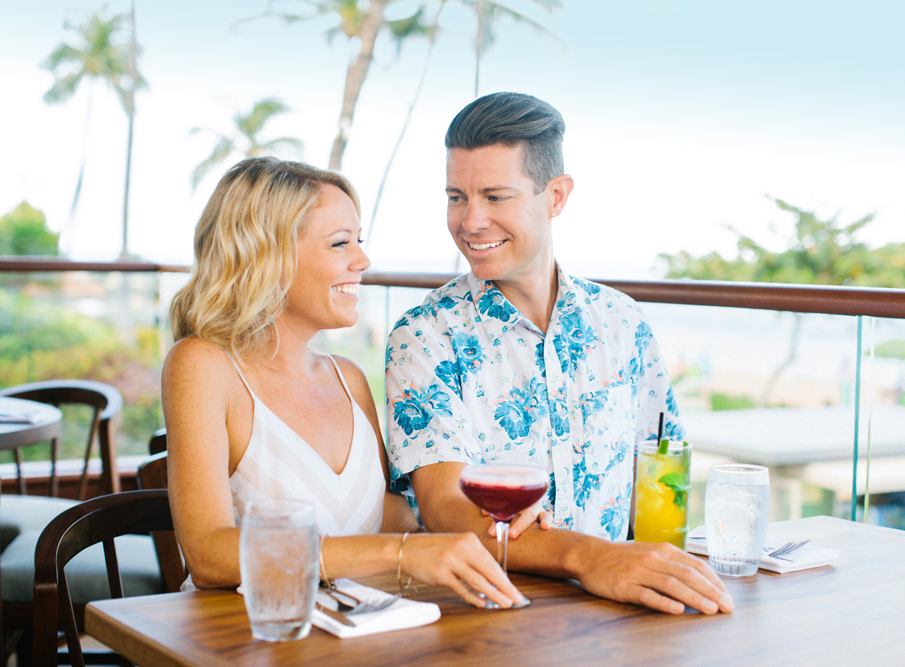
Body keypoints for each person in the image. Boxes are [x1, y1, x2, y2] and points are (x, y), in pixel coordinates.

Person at [385, 92, 734, 615]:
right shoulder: (423, 337)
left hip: (628, 612)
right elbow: (444, 509)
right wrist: (590, 559)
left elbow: (660, 470)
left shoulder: (624, 322)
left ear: (556, 196)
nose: (470, 221)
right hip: (487, 616)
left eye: (495, 197)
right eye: (456, 196)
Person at [162, 156, 529, 608]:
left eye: (358, 240)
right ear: (265, 255)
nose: (363, 259)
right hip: (248, 641)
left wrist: (496, 522)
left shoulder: (349, 379)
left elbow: (398, 524)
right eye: (339, 243)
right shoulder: (202, 365)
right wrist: (399, 554)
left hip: (355, 635)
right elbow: (208, 555)